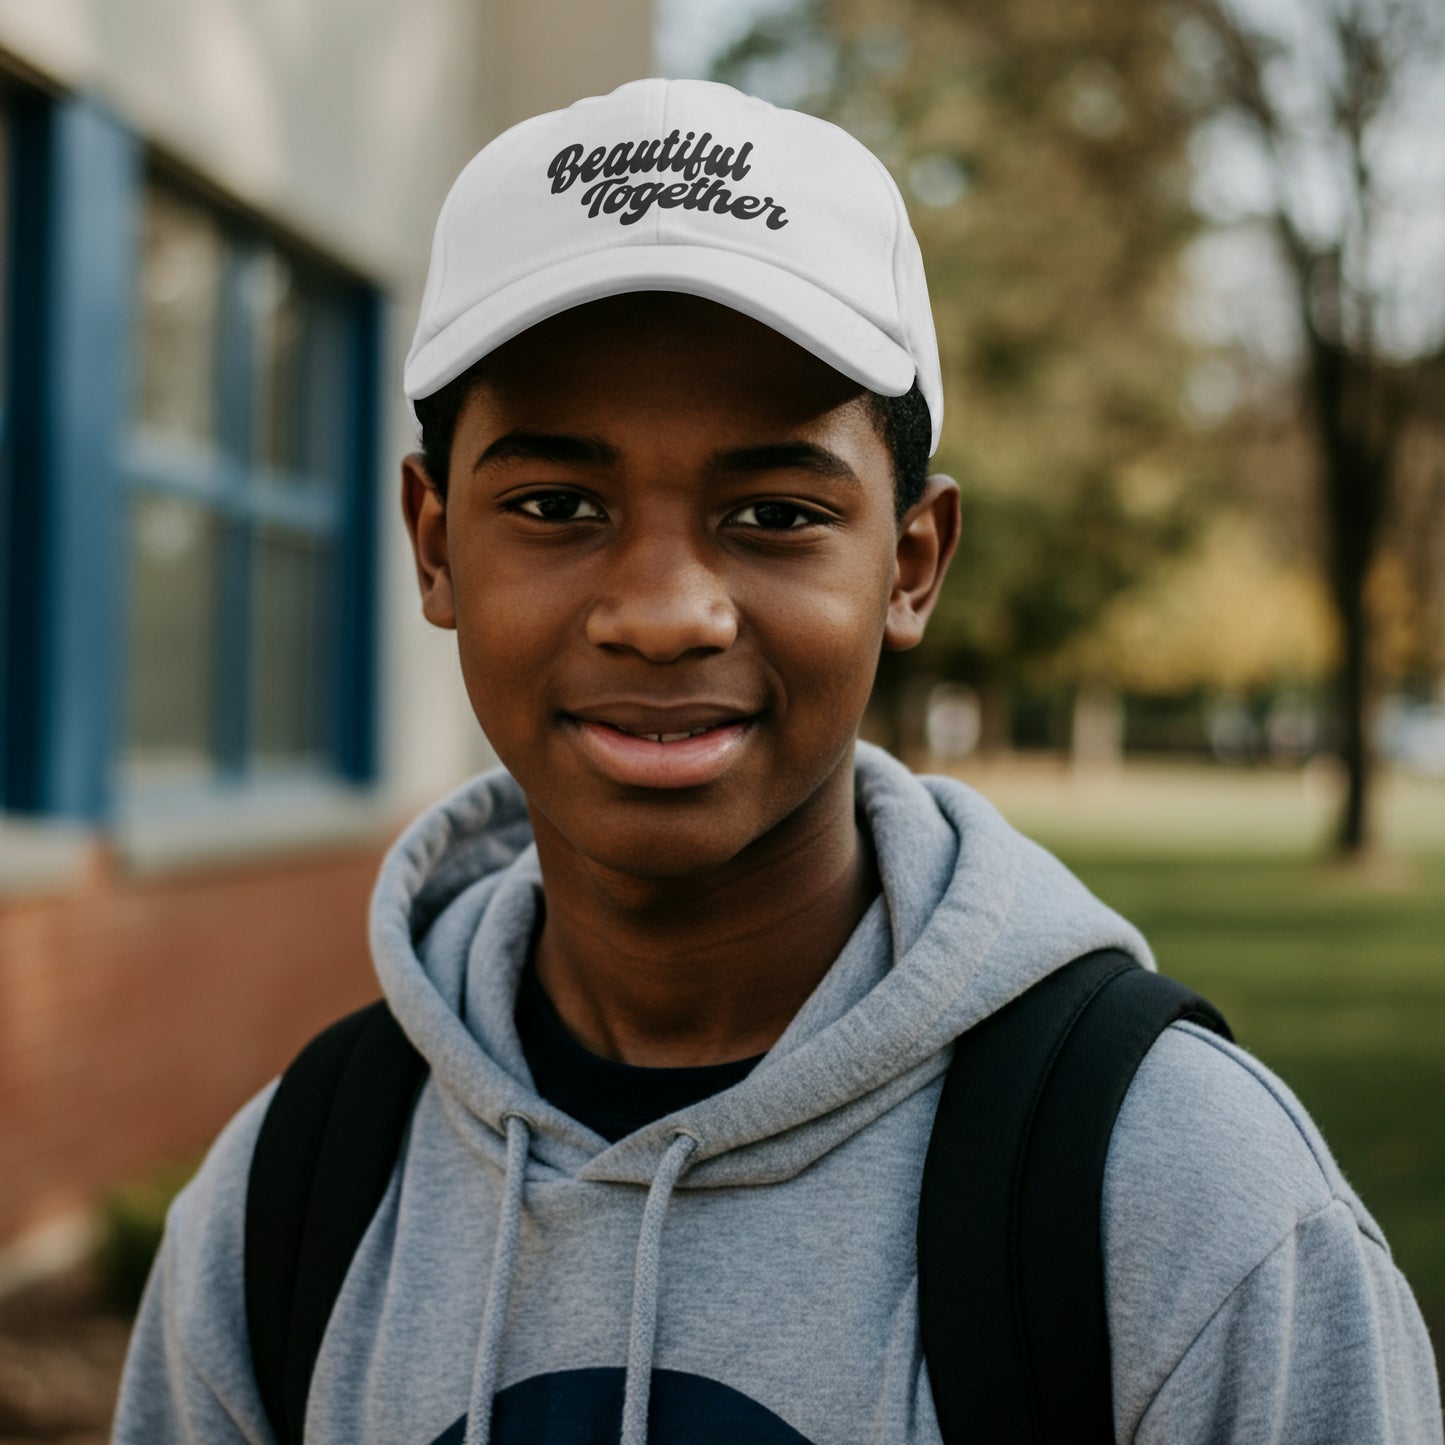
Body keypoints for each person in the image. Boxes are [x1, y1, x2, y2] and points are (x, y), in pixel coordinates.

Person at [112, 78, 1442, 1445]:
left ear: (910, 565)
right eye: (558, 505)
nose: (664, 610)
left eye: (774, 511)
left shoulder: (1180, 1205)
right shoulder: (292, 1197)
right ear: (435, 540)